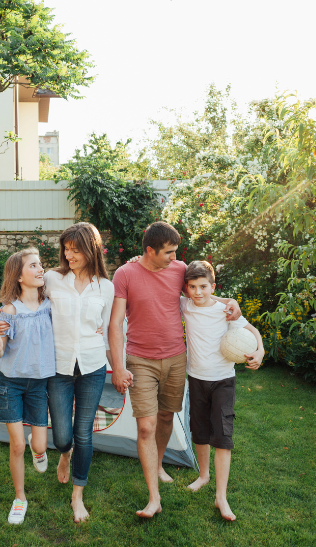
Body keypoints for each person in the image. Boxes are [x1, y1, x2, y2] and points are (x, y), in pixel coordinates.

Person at [108, 221, 241, 518]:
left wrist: (229, 302)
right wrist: (117, 366)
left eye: (175, 252)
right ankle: (153, 498)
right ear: (149, 250)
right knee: (146, 425)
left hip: (176, 358)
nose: (173, 257)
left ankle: (157, 466)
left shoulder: (179, 269)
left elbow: (201, 294)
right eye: (168, 252)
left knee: (167, 416)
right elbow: (116, 323)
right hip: (140, 358)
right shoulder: (125, 274)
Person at [0, 222, 113, 523]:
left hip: (92, 366)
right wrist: (1, 324)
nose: (68, 255)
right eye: (66, 250)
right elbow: (25, 298)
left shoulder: (106, 287)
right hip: (58, 367)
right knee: (62, 436)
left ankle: (77, 496)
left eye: (75, 250)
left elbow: (108, 326)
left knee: (83, 433)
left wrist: (118, 365)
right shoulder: (51, 279)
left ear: (91, 250)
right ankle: (63, 453)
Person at [181, 260, 263, 521]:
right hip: (196, 379)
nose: (198, 292)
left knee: (223, 437)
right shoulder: (185, 306)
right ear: (186, 289)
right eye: (192, 286)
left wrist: (260, 351)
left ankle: (221, 497)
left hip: (223, 381)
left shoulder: (225, 311)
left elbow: (253, 331)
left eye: (203, 286)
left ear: (213, 286)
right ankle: (203, 476)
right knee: (200, 431)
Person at [0, 248, 56, 525]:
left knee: (39, 443)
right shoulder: (8, 312)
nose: (41, 270)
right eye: (34, 266)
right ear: (18, 276)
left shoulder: (50, 305)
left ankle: (35, 446)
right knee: (16, 446)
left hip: (39, 385)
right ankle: (20, 498)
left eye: (40, 265)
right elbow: (1, 354)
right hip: (10, 384)